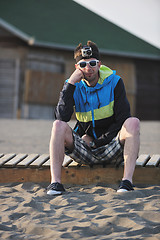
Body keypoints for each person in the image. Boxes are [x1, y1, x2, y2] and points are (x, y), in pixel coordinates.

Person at [47, 40, 140, 195]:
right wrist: (70, 84)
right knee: (57, 126)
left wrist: (97, 142)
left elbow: (122, 119)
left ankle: (127, 182)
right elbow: (61, 117)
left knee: (133, 123)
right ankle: (55, 183)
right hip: (85, 149)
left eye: (92, 63)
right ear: (77, 67)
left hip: (111, 147)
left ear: (99, 64)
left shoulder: (115, 82)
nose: (88, 68)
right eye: (83, 65)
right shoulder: (72, 85)